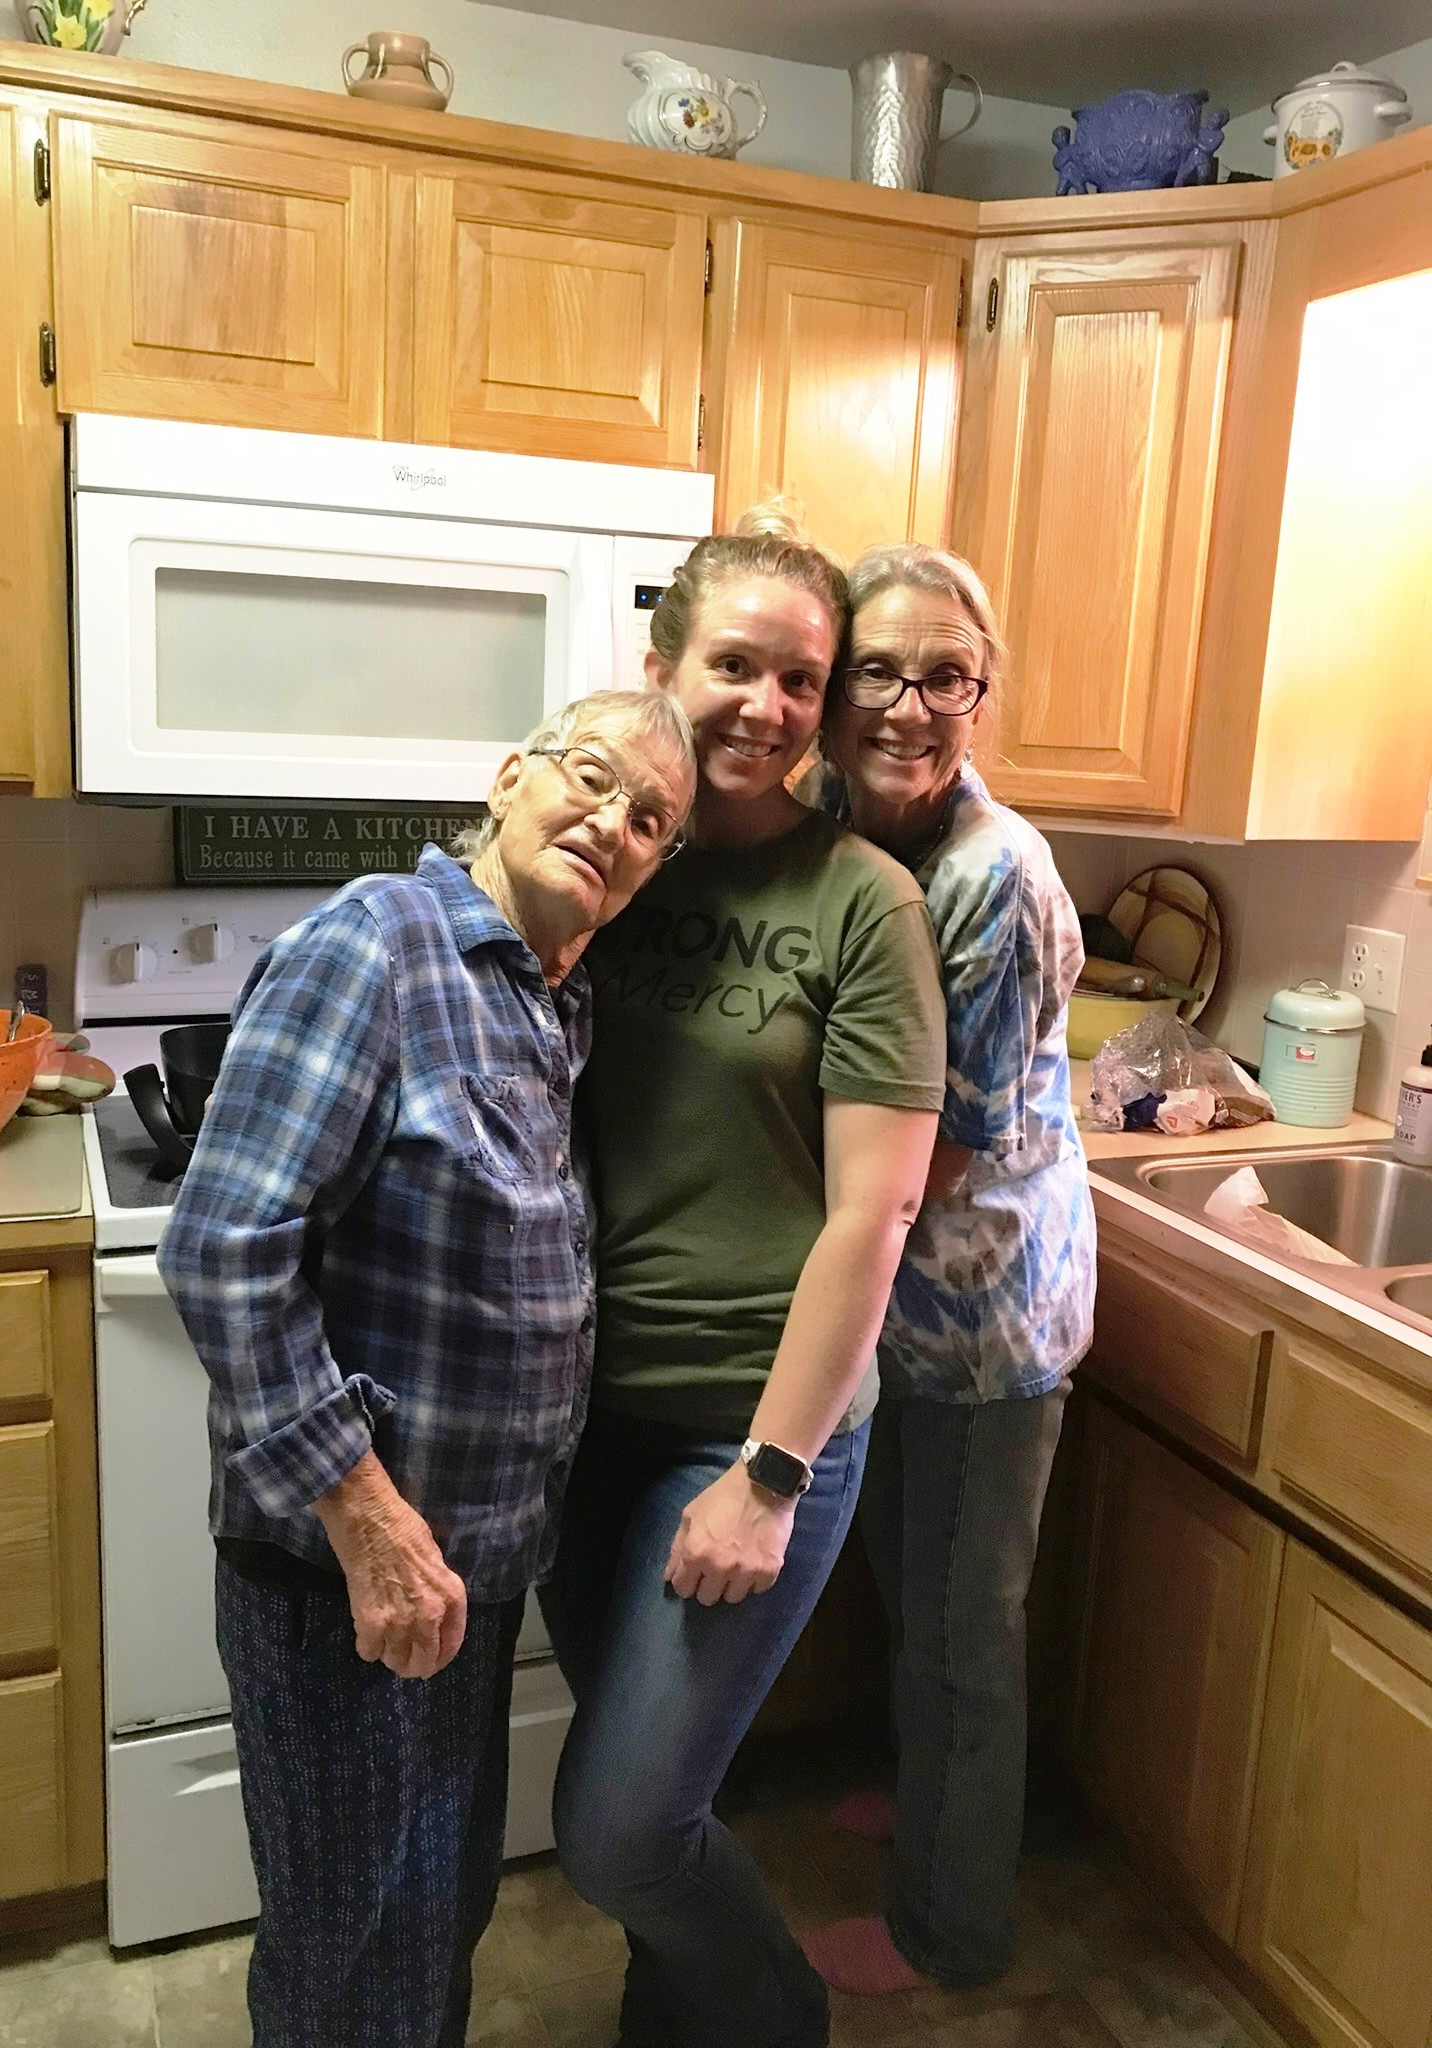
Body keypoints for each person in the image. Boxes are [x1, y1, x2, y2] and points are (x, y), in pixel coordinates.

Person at [156, 688, 696, 2048]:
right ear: (509, 780)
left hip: (464, 1574)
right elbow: (222, 1248)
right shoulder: (378, 947)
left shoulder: (546, 996)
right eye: (591, 777)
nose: (613, 823)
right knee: (354, 1962)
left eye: (650, 820)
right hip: (347, 1576)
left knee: (430, 1923)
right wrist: (370, 1522)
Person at [539, 515, 949, 2048]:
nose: (766, 708)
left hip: (751, 1429)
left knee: (620, 1831)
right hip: (584, 1422)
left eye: (801, 679)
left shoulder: (862, 904)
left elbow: (875, 1214)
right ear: (663, 666)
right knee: (659, 1801)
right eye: (734, 665)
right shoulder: (611, 862)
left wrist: (771, 1477)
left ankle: (780, 2016)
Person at [798, 543, 1096, 1998]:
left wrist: (788, 1244)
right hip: (895, 1309)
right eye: (880, 671)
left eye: (948, 678)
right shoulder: (841, 831)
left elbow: (953, 1151)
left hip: (984, 1319)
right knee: (910, 1598)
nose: (910, 708)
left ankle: (951, 1928)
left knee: (966, 1632)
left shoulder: (992, 876)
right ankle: (935, 1807)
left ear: (984, 697)